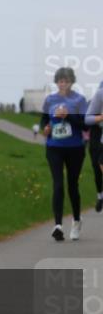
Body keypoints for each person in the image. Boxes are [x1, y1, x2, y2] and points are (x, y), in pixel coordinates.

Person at [39, 68, 88, 240]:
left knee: (72, 186)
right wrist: (44, 128)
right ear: (56, 82)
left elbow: (86, 125)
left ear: (72, 82)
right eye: (60, 81)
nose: (63, 84)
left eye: (66, 81)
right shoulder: (50, 99)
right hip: (54, 147)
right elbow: (43, 120)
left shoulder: (79, 100)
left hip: (75, 148)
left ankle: (76, 221)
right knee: (58, 185)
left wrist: (69, 116)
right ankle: (58, 225)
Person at [87, 84, 103, 213]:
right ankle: (100, 196)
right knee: (97, 167)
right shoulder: (99, 94)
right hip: (96, 136)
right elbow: (87, 119)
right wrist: (100, 118)